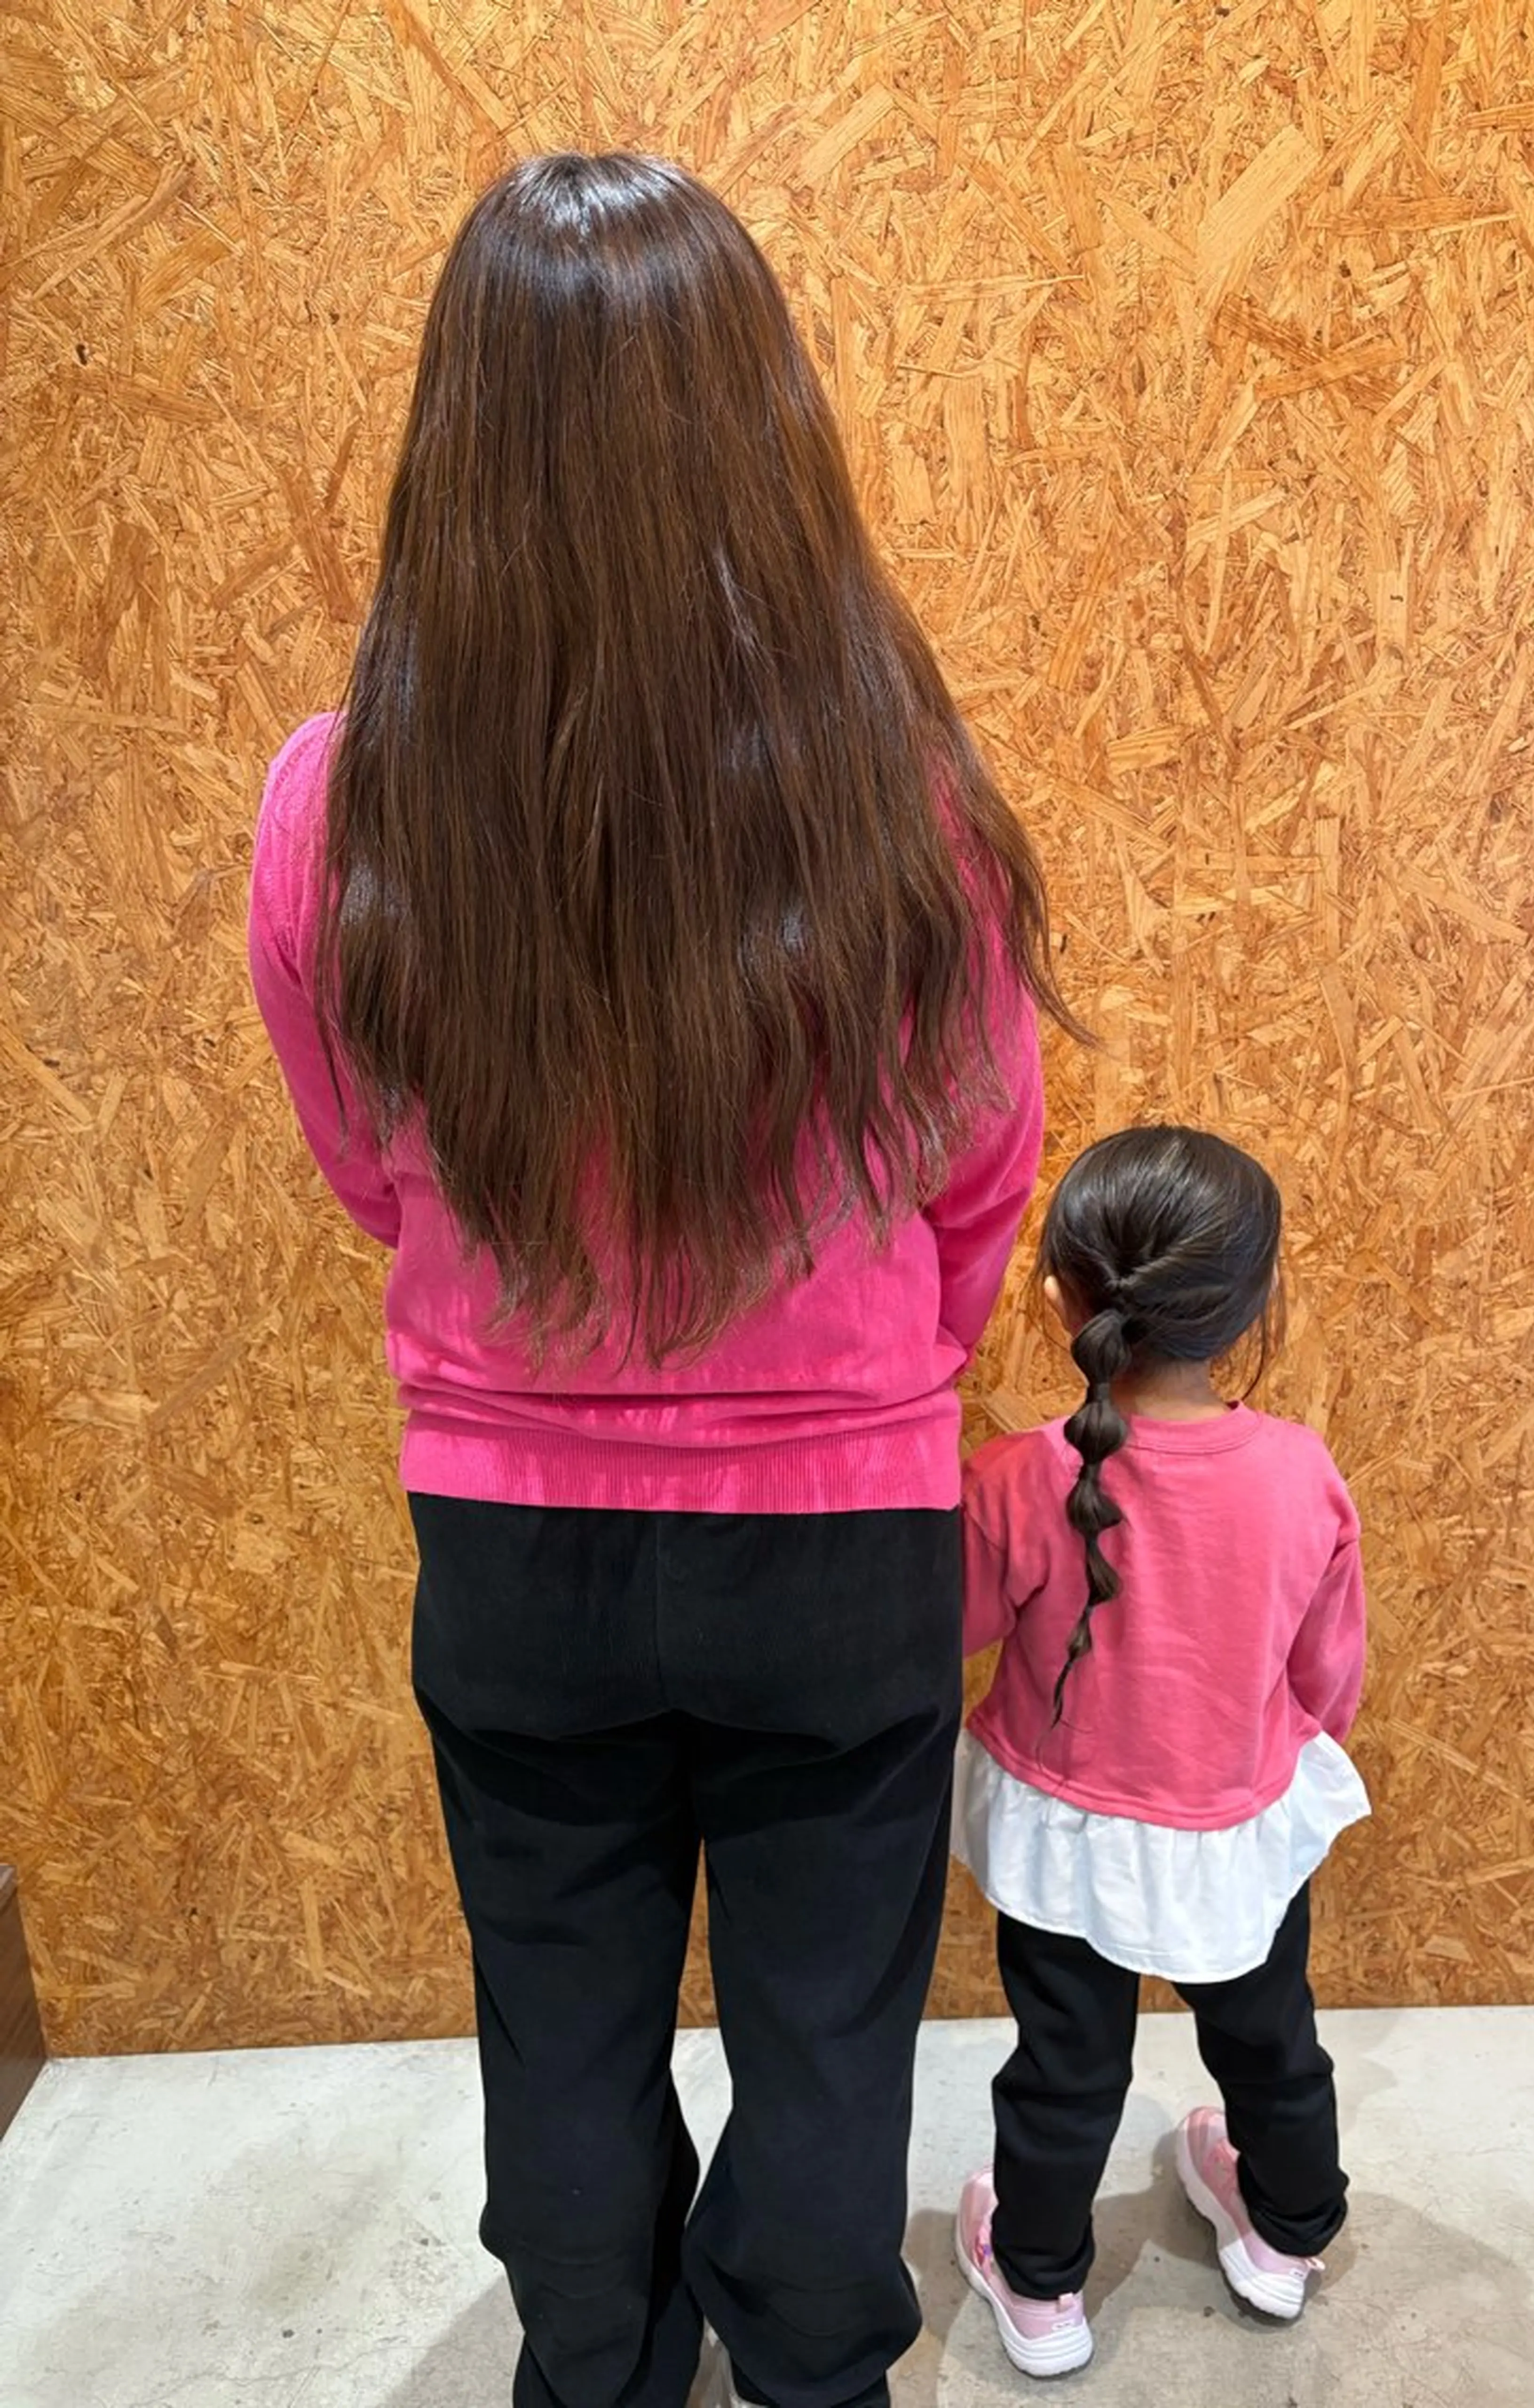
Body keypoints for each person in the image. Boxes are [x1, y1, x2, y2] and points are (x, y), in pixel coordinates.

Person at [248, 151, 1064, 2408]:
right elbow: (978, 1185)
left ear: (457, 443)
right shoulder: (910, 812)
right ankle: (815, 2372)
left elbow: (365, 1167)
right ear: (768, 439)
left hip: (514, 1542)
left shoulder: (342, 810)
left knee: (559, 2006)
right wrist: (869, 1380)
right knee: (830, 2031)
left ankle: (592, 2364)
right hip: (839, 1540)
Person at [949, 1125, 1369, 2376]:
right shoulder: (1302, 1473)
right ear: (1255, 1305)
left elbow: (947, 1635)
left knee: (1066, 2069)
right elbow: (1328, 1675)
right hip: (1239, 1828)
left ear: (1062, 1296)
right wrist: (1273, 1765)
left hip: (1068, 1842)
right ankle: (1285, 2244)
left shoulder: (1019, 1479)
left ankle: (1039, 2291)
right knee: (1272, 2044)